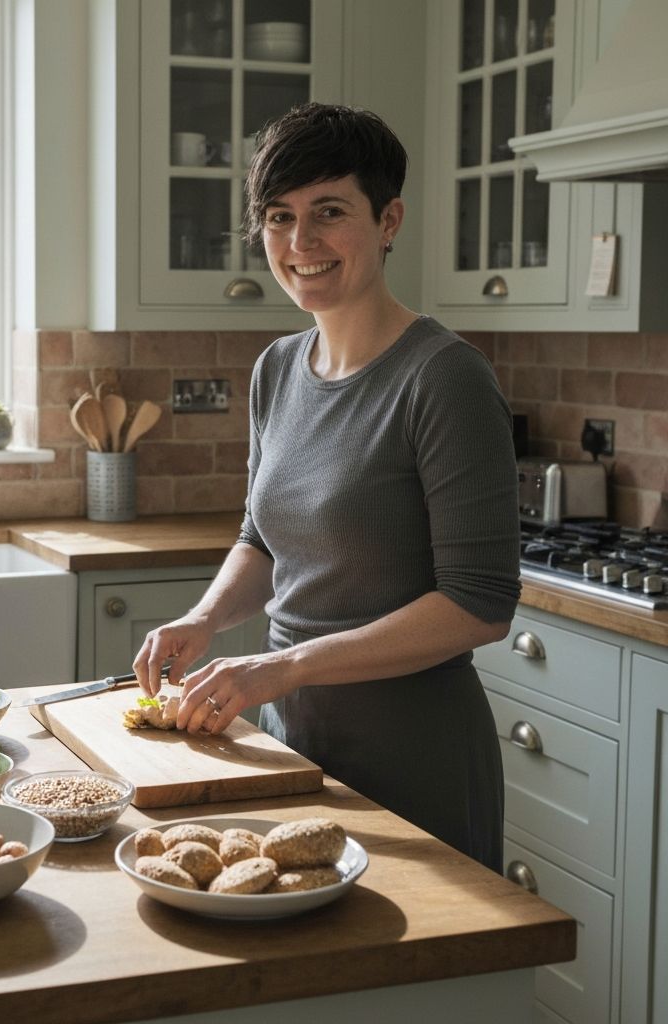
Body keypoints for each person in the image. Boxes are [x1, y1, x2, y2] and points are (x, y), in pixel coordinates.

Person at [132, 103, 521, 873]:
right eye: (279, 217)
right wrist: (205, 618)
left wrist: (287, 665)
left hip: (417, 755)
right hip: (295, 741)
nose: (300, 244)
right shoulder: (277, 368)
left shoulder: (444, 378)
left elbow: (480, 604)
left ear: (388, 220)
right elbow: (264, 539)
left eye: (328, 213)